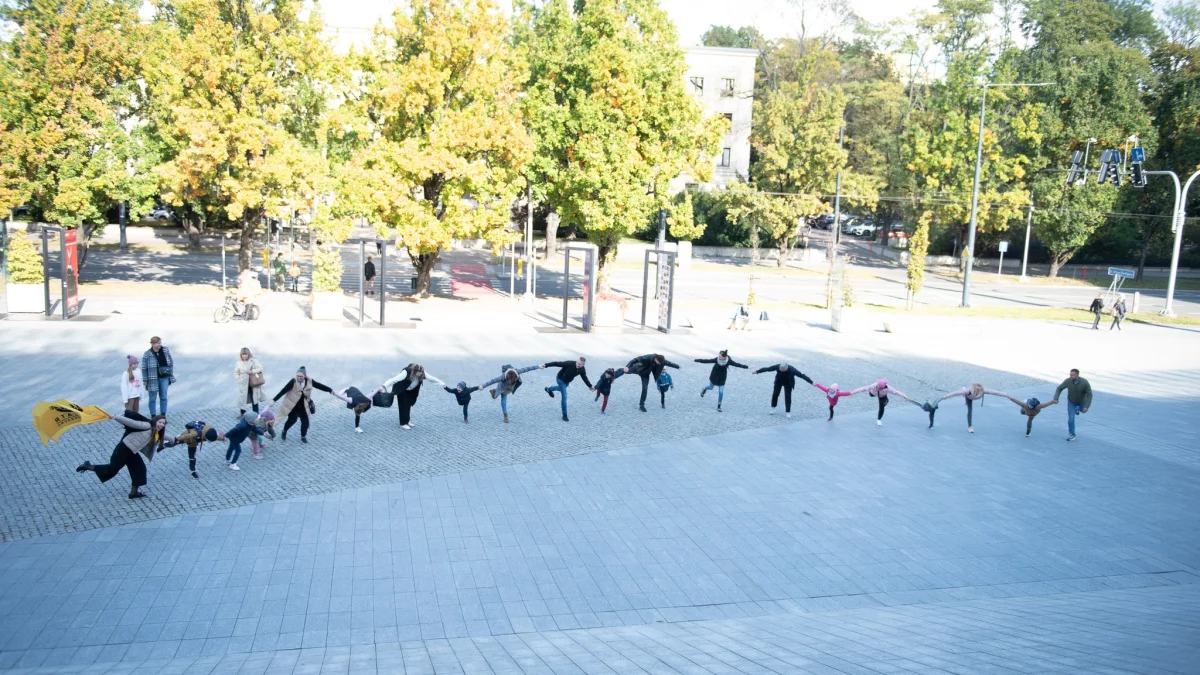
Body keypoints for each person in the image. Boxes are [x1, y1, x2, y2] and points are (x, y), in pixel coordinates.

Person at [75, 411, 166, 499]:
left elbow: (164, 436)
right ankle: (87, 466)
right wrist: (117, 417)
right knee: (112, 470)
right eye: (160, 422)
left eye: (163, 423)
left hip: (132, 452)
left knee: (140, 469)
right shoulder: (147, 425)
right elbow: (132, 423)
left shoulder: (156, 431)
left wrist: (174, 439)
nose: (161, 425)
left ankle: (133, 493)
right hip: (123, 449)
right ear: (155, 421)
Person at [270, 367, 336, 443]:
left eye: (301, 376)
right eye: (298, 376)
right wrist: (273, 400)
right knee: (291, 420)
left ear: (304, 376)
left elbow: (319, 386)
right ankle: (284, 431)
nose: (299, 378)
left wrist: (330, 390)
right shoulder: (293, 382)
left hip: (304, 407)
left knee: (305, 422)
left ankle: (303, 436)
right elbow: (283, 391)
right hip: (294, 406)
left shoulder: (309, 381)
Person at [382, 364, 445, 430]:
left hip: (411, 391)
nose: (420, 375)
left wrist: (441, 383)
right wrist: (384, 386)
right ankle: (403, 423)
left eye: (421, 374)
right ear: (414, 372)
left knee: (408, 405)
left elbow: (431, 378)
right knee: (403, 406)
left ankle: (407, 421)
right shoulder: (406, 372)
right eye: (418, 374)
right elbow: (393, 380)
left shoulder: (423, 373)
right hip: (402, 390)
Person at [940, 382, 1009, 433]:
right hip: (969, 397)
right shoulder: (968, 392)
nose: (977, 391)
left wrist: (1006, 395)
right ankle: (970, 427)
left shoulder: (983, 390)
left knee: (968, 401)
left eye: (978, 390)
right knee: (970, 410)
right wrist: (946, 396)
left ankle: (964, 388)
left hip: (974, 396)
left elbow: (995, 392)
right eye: (976, 390)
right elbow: (955, 393)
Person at [543, 357, 593, 422]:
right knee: (564, 396)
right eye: (577, 363)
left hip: (567, 382)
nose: (578, 365)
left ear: (583, 365)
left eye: (580, 364)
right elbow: (557, 363)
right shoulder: (569, 363)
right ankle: (564, 414)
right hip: (560, 379)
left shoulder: (582, 369)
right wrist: (546, 365)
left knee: (561, 389)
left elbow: (584, 377)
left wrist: (590, 386)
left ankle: (549, 389)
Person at [1052, 368, 1092, 441]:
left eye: (1072, 375)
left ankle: (1077, 409)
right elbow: (1059, 388)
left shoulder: (1084, 382)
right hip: (1071, 402)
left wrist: (1087, 406)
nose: (1071, 377)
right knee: (1071, 419)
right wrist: (1056, 398)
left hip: (1082, 401)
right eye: (1070, 375)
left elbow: (1090, 394)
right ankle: (1072, 434)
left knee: (1084, 411)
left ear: (1077, 375)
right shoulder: (1068, 381)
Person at [141, 336, 174, 417]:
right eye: (158, 343)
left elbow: (171, 362)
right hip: (152, 379)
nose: (160, 345)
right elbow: (144, 368)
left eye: (160, 343)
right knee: (152, 398)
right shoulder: (147, 354)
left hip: (164, 377)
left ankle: (163, 414)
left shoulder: (165, 350)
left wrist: (170, 372)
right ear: (152, 344)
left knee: (163, 396)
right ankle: (153, 415)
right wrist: (145, 380)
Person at [234, 347, 267, 416]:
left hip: (253, 382)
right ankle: (242, 414)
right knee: (243, 399)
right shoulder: (239, 363)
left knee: (254, 398)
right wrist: (238, 380)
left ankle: (256, 413)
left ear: (248, 354)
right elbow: (236, 372)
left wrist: (252, 371)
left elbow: (260, 368)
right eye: (243, 354)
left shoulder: (253, 360)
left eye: (246, 354)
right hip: (243, 382)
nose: (244, 356)